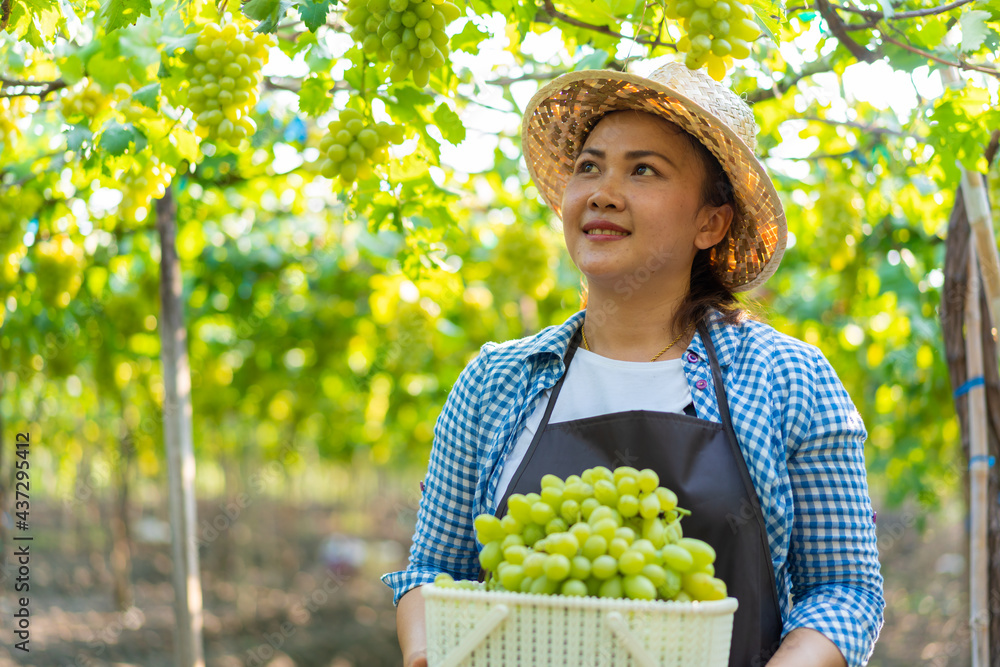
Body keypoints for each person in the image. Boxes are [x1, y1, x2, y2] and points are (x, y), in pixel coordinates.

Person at [383, 61, 884, 667]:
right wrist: (425, 651)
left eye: (643, 169)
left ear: (711, 222)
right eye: (588, 167)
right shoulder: (497, 382)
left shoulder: (788, 378)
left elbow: (845, 591)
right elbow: (433, 571)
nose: (602, 191)